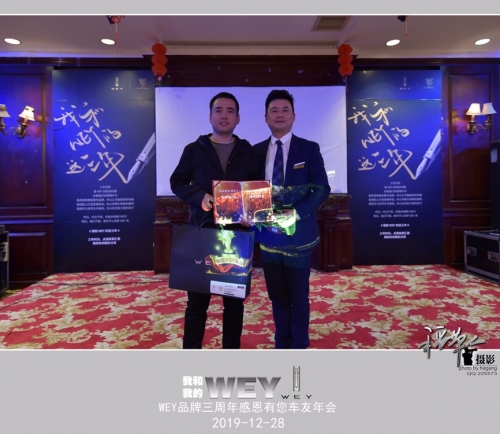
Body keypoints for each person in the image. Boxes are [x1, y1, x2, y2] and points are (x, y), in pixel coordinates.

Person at [170, 92, 259, 349]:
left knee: (234, 303)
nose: (224, 115)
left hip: (236, 237)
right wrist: (199, 196)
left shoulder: (248, 152)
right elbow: (177, 181)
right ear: (210, 116)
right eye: (218, 110)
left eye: (230, 111)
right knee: (197, 304)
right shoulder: (194, 150)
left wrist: (251, 212)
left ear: (238, 118)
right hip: (203, 232)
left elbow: (256, 189)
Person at [253, 89, 331, 349]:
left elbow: (321, 189)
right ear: (265, 117)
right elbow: (249, 191)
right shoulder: (255, 152)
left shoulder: (308, 149)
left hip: (297, 237)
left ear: (294, 116)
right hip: (268, 237)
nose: (279, 114)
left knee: (298, 297)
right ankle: (282, 343)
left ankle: (298, 346)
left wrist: (295, 212)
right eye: (274, 110)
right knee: (276, 296)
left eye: (285, 110)